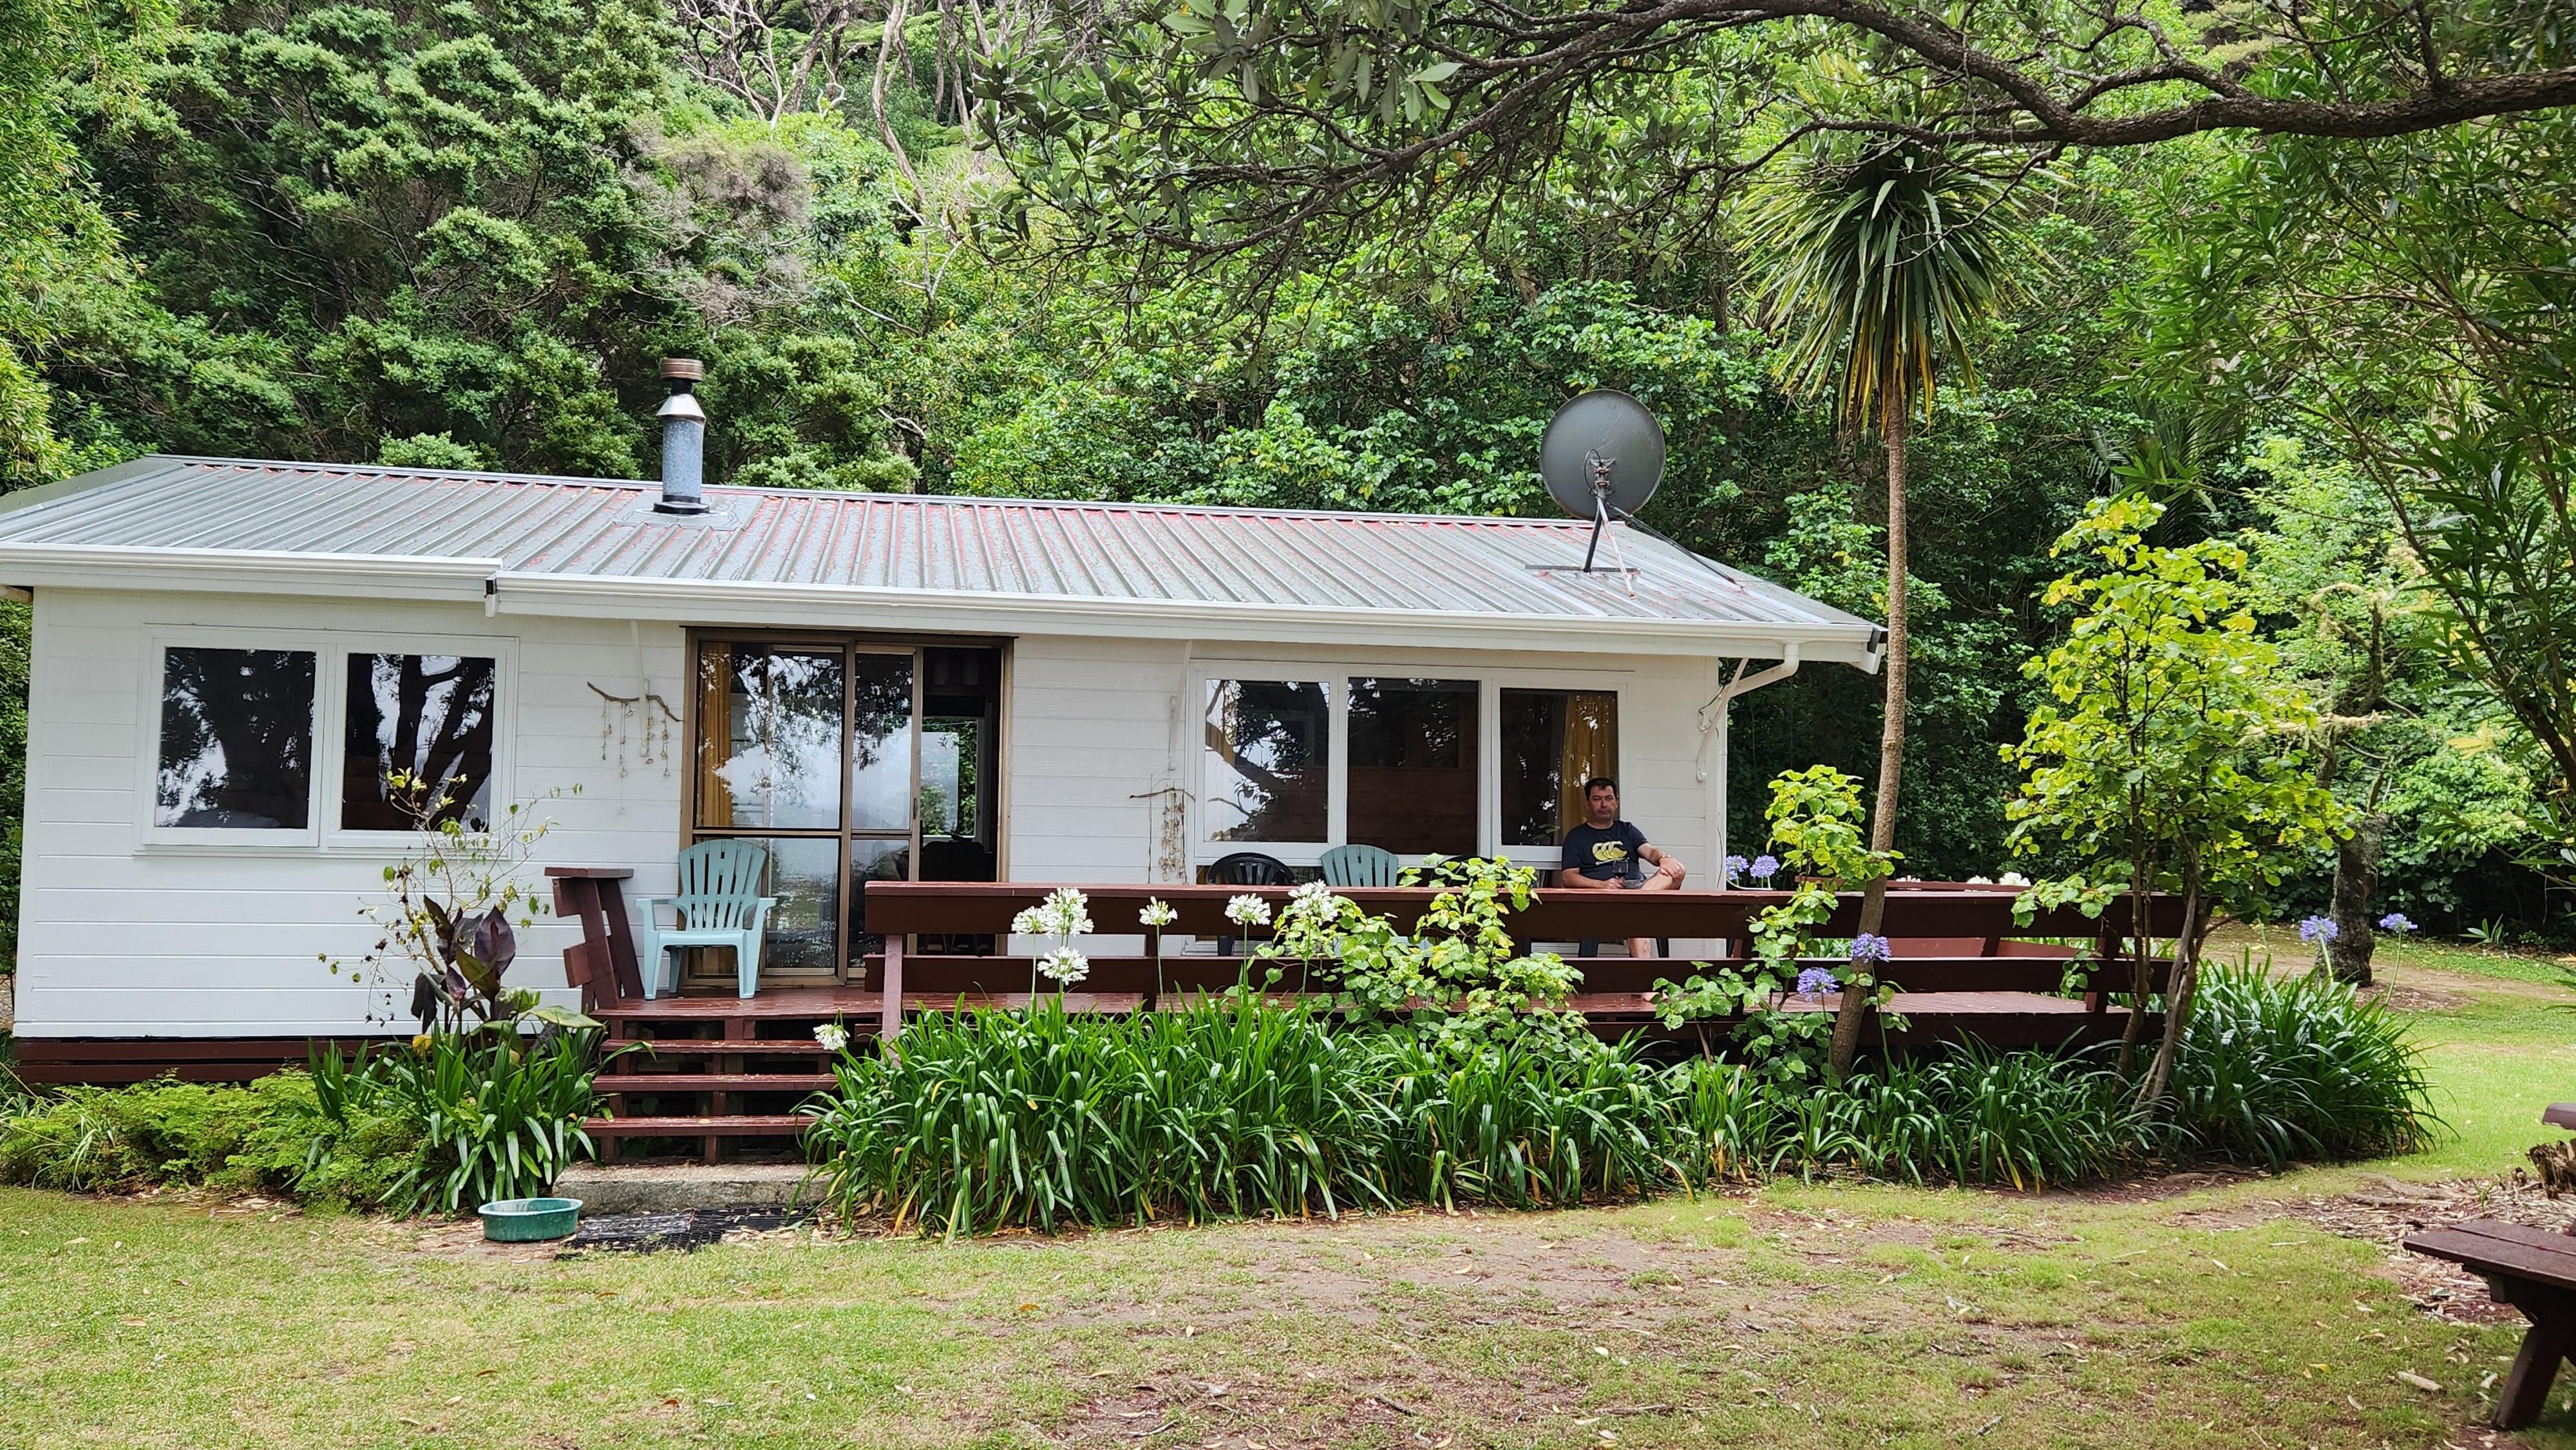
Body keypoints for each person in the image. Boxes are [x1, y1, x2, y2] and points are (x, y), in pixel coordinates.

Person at [1555, 777, 1685, 958]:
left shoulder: (1627, 830)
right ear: (1587, 804)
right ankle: (1645, 983)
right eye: (1597, 799)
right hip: (1603, 899)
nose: (1603, 804)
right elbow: (1569, 878)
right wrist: (1601, 886)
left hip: (1637, 889)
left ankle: (1636, 902)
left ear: (1617, 802)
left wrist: (1664, 859)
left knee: (1677, 870)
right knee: (1637, 918)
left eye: (1609, 799)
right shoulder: (1577, 837)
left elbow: (1649, 852)